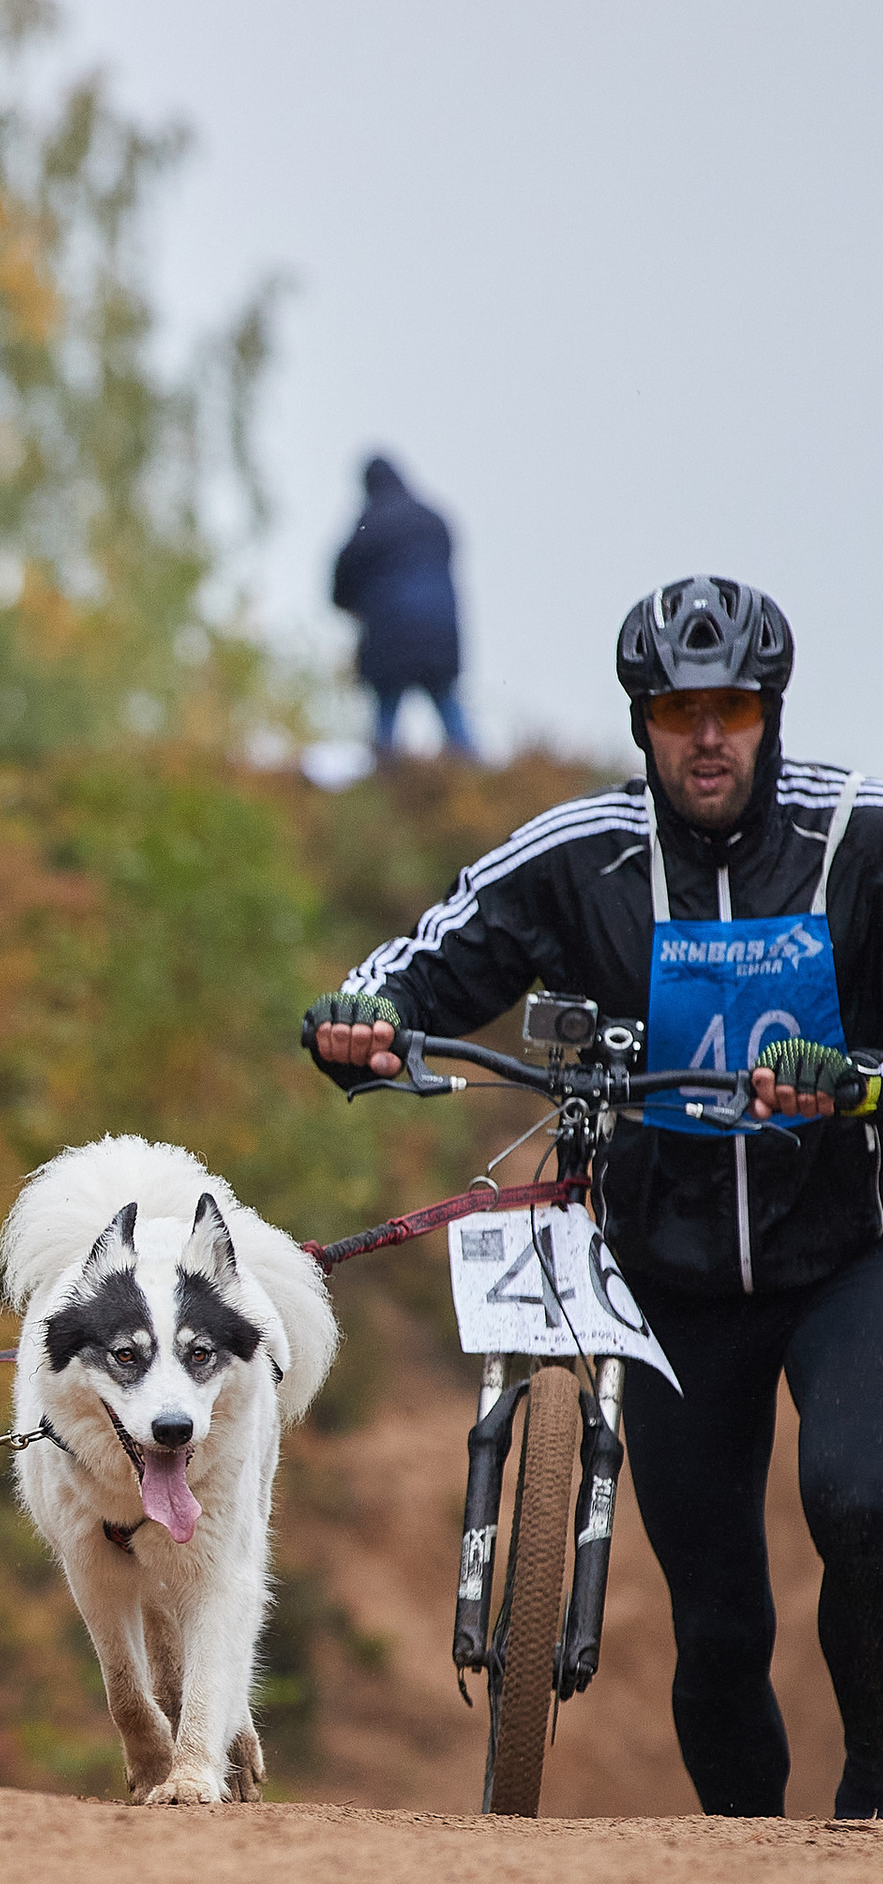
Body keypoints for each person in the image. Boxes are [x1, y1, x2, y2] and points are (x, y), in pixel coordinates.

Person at [305, 575, 883, 1820]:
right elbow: (421, 964)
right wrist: (368, 1018)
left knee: (862, 1500)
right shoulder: (579, 857)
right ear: (644, 725)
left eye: (731, 707)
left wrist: (859, 1081)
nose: (708, 737)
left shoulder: (857, 840)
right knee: (718, 1617)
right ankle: (744, 1858)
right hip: (665, 1278)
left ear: (770, 712)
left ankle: (874, 1802)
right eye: (680, 713)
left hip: (846, 1255)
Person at [331, 456, 476, 760]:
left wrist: (352, 606)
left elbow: (341, 579)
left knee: (386, 711)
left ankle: (384, 780)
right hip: (441, 634)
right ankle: (475, 777)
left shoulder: (369, 525)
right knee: (447, 704)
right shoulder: (434, 518)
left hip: (388, 636)